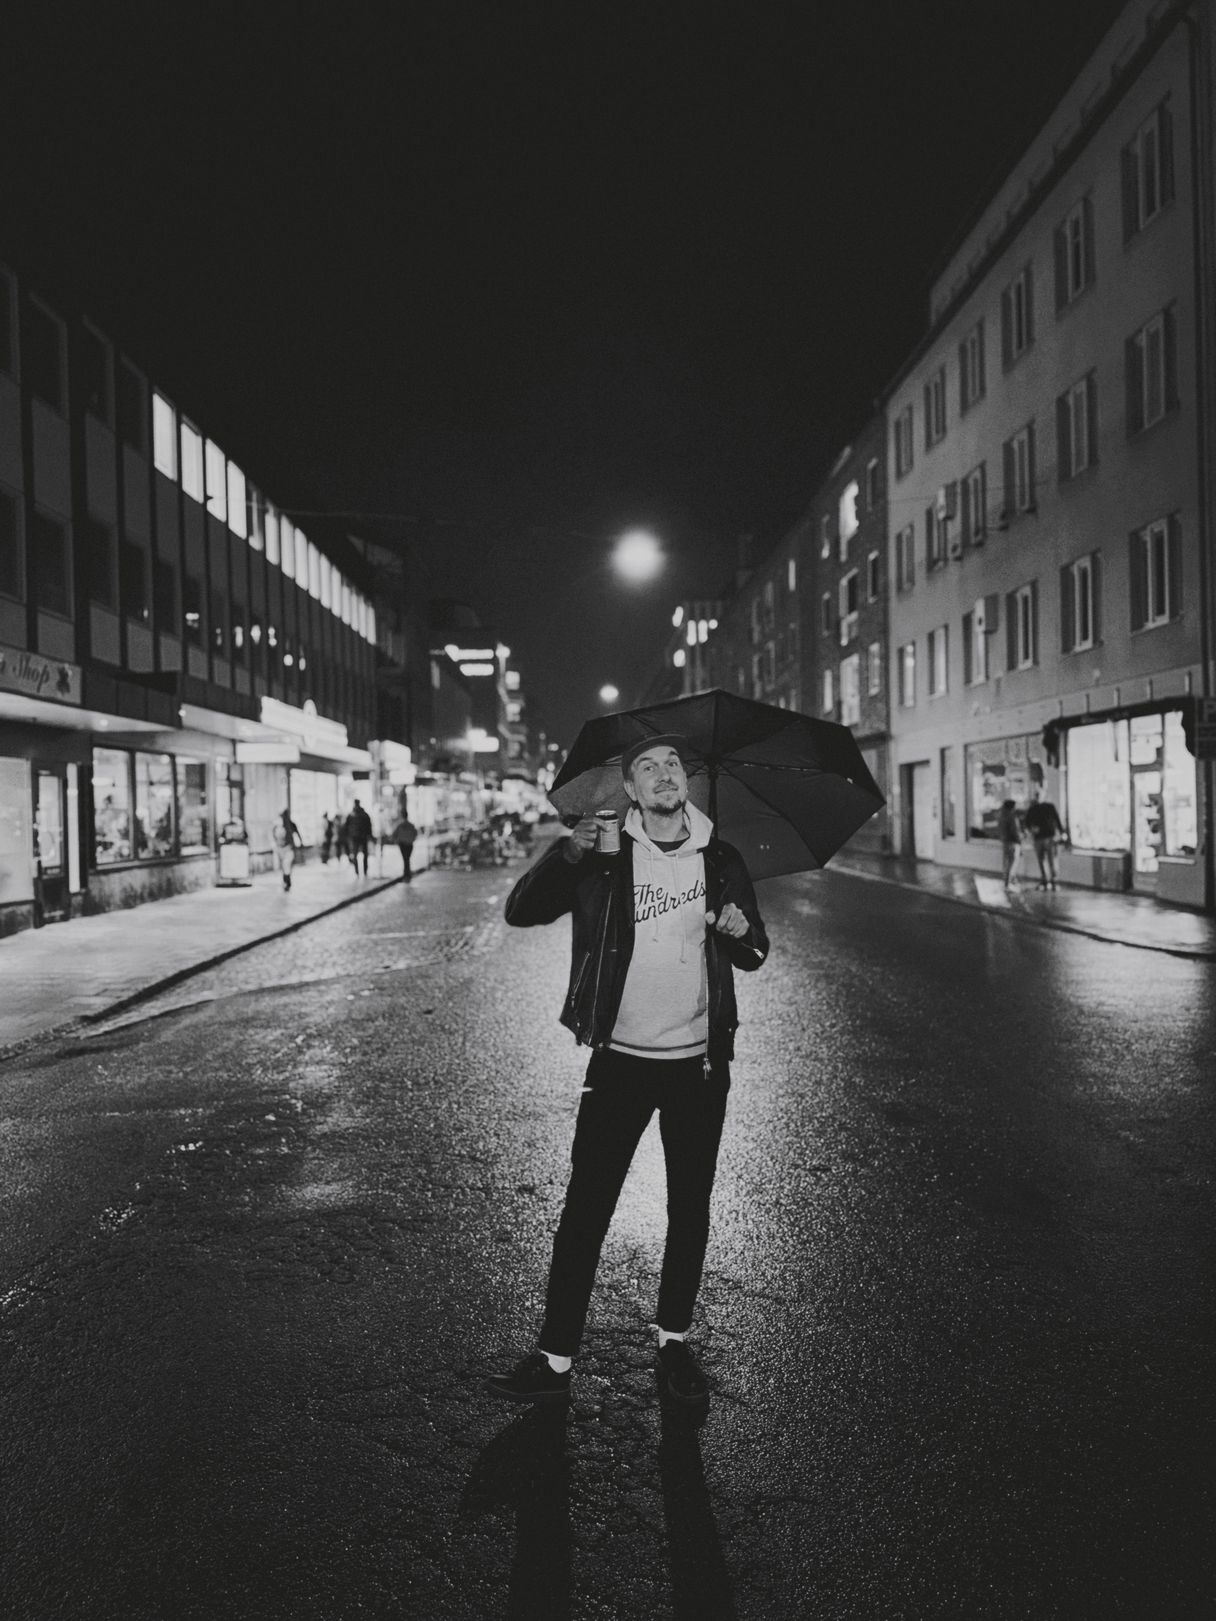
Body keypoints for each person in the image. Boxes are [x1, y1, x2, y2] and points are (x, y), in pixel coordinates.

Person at [486, 734, 769, 1410]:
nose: (664, 773)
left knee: (689, 1207)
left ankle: (673, 1340)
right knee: (586, 1208)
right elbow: (521, 909)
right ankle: (555, 1356)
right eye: (648, 766)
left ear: (685, 782)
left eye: (673, 763)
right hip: (620, 1062)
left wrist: (737, 929)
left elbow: (755, 949)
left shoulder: (720, 858)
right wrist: (572, 849)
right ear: (632, 790)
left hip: (700, 1065)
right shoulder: (608, 860)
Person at [1023, 790, 1064, 889]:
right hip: (1040, 838)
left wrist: (1062, 832)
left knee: (1050, 859)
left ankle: (1053, 880)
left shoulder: (1049, 807)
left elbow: (1057, 819)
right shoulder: (1033, 809)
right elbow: (1027, 822)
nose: (1038, 797)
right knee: (1042, 860)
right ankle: (1045, 879)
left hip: (1049, 837)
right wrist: (1031, 829)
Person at [271, 807, 302, 891]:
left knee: (286, 865)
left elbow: (297, 834)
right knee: (286, 866)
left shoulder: (289, 825)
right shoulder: (279, 826)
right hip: (284, 848)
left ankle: (287, 881)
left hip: (288, 848)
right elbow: (274, 836)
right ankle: (286, 881)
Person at [997, 797, 1024, 890]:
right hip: (1013, 843)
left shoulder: (1001, 816)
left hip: (1005, 842)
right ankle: (1008, 883)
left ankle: (1007, 882)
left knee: (1006, 863)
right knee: (1012, 863)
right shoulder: (1012, 817)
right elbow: (1015, 831)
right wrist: (1020, 840)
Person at [345, 798, 372, 876]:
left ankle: (357, 871)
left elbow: (346, 827)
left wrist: (348, 835)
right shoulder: (364, 814)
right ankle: (365, 870)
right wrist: (369, 835)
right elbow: (369, 826)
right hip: (362, 837)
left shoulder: (351, 815)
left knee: (355, 854)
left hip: (355, 837)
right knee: (364, 854)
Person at [393, 814, 418, 881]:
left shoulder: (400, 825)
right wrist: (411, 839)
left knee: (405, 859)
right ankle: (407, 874)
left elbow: (394, 834)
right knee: (407, 859)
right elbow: (415, 833)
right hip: (409, 844)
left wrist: (398, 840)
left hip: (403, 844)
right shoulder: (410, 825)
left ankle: (406, 874)